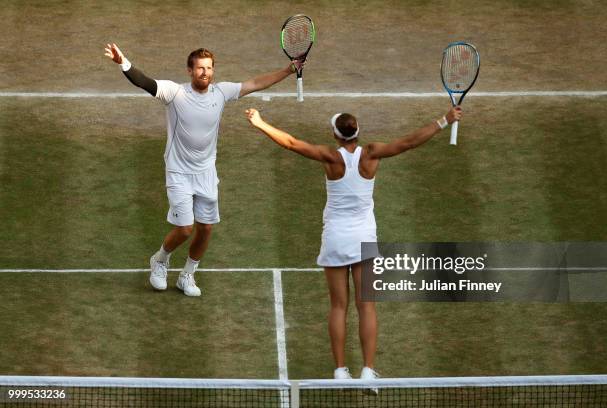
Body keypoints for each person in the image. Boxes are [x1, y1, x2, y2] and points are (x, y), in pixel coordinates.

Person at [245, 106, 462, 385]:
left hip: (335, 238)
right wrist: (445, 120)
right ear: (357, 133)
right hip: (364, 239)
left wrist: (260, 123)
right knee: (367, 307)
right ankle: (368, 370)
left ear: (335, 135)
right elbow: (408, 142)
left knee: (338, 307)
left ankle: (339, 370)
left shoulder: (330, 157)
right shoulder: (371, 153)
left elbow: (290, 143)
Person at [104, 43, 304, 296]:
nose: (205, 73)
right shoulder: (174, 93)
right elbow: (145, 82)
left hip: (207, 173)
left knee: (206, 227)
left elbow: (255, 83)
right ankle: (160, 260)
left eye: (209, 68)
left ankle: (187, 274)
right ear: (190, 71)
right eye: (200, 68)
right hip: (178, 172)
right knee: (185, 228)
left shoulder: (221, 92)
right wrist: (123, 62)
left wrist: (288, 70)